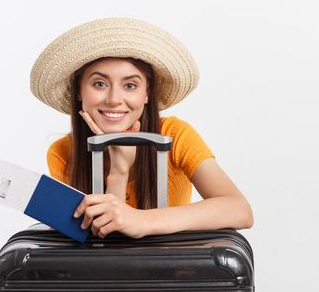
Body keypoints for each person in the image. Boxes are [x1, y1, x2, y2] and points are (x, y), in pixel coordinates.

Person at [30, 17, 253, 239]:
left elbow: (240, 210)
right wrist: (119, 173)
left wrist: (141, 220)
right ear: (79, 91)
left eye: (130, 85)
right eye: (100, 84)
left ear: (146, 94)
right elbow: (99, 248)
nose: (114, 99)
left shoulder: (175, 135)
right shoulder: (62, 153)